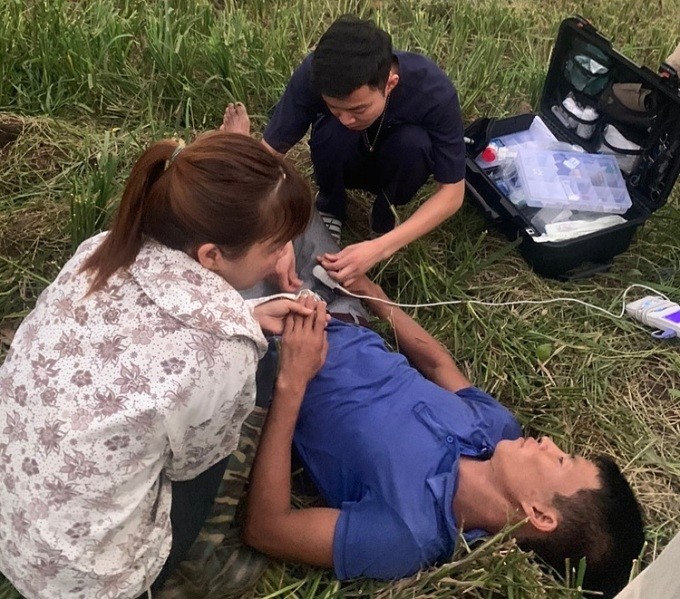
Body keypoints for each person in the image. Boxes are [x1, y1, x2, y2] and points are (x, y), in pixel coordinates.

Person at [0, 130, 314, 599]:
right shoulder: (226, 351)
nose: (280, 259)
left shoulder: (102, 250)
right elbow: (191, 466)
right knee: (249, 386)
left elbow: (144, 336)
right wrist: (282, 369)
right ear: (211, 255)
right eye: (275, 247)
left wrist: (242, 315)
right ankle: (202, 563)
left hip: (13, 530)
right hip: (91, 582)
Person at [242, 276, 645, 599]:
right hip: (335, 307)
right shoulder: (498, 428)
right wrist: (370, 291)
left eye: (560, 460)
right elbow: (437, 364)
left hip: (260, 357)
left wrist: (292, 379)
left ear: (539, 514)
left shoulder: (406, 536)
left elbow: (268, 528)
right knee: (281, 209)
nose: (549, 443)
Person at [254, 14, 466, 287]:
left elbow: (452, 193)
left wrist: (380, 248)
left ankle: (384, 217)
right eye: (335, 107)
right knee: (332, 130)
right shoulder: (314, 75)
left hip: (398, 161)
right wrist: (278, 240)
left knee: (415, 144)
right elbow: (265, 157)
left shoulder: (433, 91)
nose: (346, 118)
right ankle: (331, 207)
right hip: (342, 156)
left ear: (390, 83)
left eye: (358, 109)